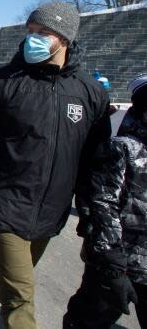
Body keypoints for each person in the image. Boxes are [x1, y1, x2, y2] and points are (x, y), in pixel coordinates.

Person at [0, 2, 111, 329]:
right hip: (5, 201)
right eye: (30, 32)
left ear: (65, 39)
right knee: (20, 296)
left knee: (14, 273)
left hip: (51, 208)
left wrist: (91, 210)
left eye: (43, 33)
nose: (33, 39)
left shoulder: (90, 93)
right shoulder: (3, 81)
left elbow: (95, 160)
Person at [64, 73, 147, 329]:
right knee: (87, 321)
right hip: (118, 264)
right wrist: (112, 265)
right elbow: (104, 205)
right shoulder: (122, 149)